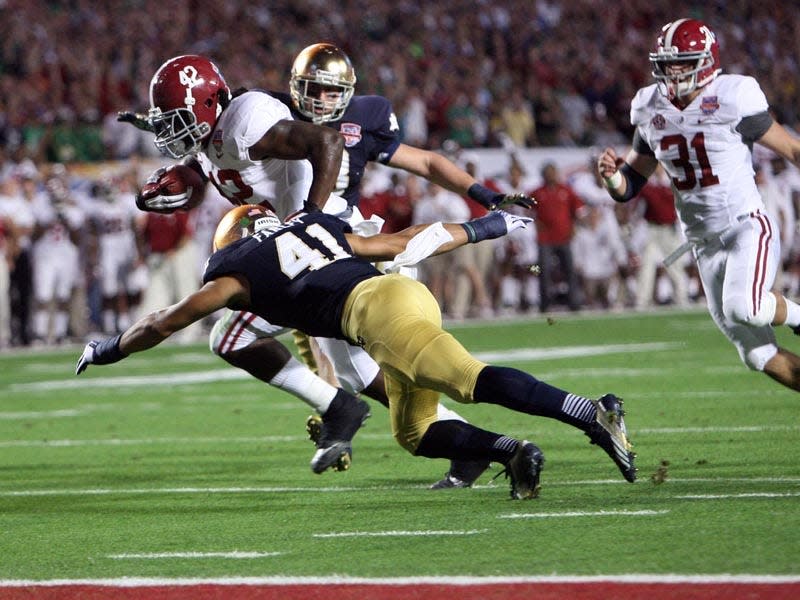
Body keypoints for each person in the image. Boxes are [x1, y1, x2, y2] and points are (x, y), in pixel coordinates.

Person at [120, 45, 535, 489]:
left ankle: (499, 440)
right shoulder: (228, 131)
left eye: (329, 91)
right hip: (300, 254)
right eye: (311, 90)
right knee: (334, 364)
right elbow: (216, 164)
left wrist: (487, 205)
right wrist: (186, 179)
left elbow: (383, 158)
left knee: (401, 373)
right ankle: (463, 441)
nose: (320, 101)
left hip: (331, 248)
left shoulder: (274, 122)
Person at [76, 204, 638, 500]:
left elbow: (163, 322)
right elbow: (403, 241)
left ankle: (592, 413)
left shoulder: (234, 272)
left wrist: (106, 350)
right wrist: (487, 225)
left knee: (469, 377)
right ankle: (511, 452)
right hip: (399, 295)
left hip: (373, 314)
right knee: (414, 433)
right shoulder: (316, 231)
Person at [597, 18, 800, 392]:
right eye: (667, 63)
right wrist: (611, 176)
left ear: (706, 60)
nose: (673, 72)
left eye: (683, 62)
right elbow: (629, 185)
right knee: (757, 354)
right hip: (701, 243)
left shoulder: (733, 96)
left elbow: (791, 149)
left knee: (747, 307)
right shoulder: (648, 107)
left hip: (745, 225)